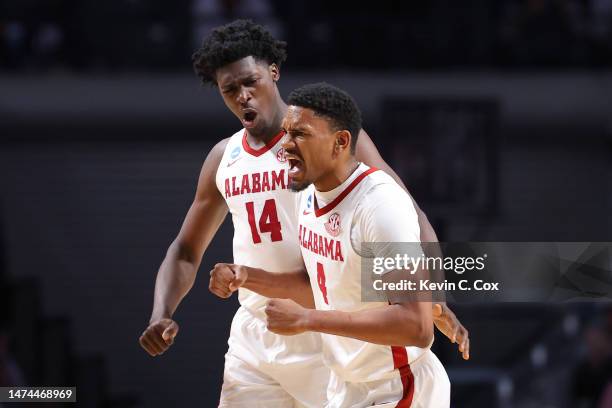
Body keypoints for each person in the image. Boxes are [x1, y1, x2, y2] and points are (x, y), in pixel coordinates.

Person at [140, 20, 466, 407]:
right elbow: (186, 250)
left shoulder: (332, 139)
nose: (243, 96)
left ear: (273, 72)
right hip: (256, 332)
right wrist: (161, 312)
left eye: (251, 82)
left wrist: (431, 295)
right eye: (230, 90)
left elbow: (411, 215)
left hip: (325, 329)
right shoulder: (223, 159)